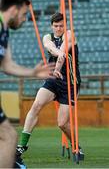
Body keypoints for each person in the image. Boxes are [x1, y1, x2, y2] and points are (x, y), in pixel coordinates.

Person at [16, 12, 84, 167]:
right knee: (36, 105)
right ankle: (22, 145)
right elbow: (50, 47)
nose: (59, 28)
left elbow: (63, 53)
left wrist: (58, 65)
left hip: (70, 83)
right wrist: (58, 55)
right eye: (56, 26)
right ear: (51, 26)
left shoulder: (69, 34)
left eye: (61, 26)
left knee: (62, 123)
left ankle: (76, 146)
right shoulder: (48, 37)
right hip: (53, 79)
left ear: (64, 26)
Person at [0, 0, 55, 168]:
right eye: (24, 14)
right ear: (14, 10)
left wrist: (33, 72)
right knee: (8, 136)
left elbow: (8, 66)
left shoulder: (5, 30)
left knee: (9, 136)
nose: (25, 19)